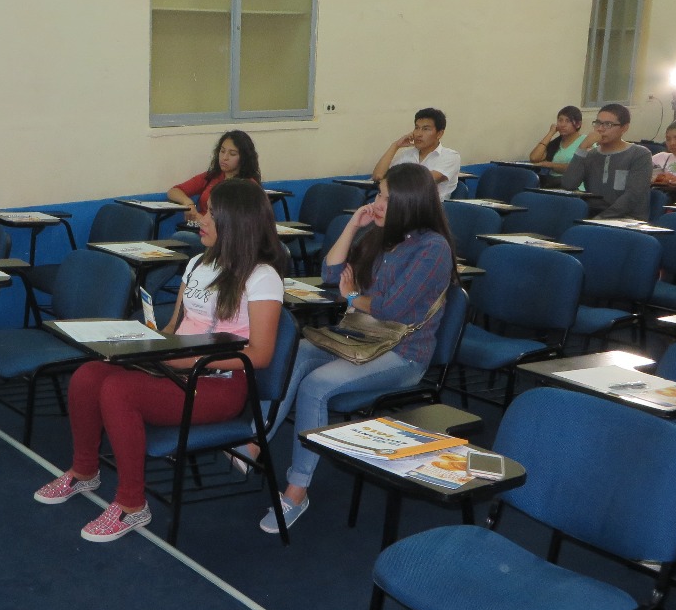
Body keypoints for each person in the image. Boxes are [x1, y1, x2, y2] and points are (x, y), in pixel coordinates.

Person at [33, 179, 287, 543]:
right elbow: (174, 326)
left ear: (235, 222)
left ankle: (132, 504)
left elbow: (260, 355)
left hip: (219, 385)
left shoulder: (262, 278)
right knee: (88, 375)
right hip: (178, 365)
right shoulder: (199, 262)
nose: (200, 219)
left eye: (211, 214)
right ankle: (84, 470)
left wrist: (187, 361)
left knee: (120, 391)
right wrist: (145, 346)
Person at [258, 163, 457, 533]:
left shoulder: (433, 249)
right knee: (297, 352)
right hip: (362, 339)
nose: (376, 202)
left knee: (316, 385)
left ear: (408, 203)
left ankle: (296, 490)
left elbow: (389, 308)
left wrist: (354, 296)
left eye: (384, 196)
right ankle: (256, 441)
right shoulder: (387, 236)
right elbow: (332, 273)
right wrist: (354, 224)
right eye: (378, 194)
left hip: (403, 354)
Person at [560, 103, 653, 221]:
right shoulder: (591, 154)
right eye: (598, 123)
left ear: (624, 128)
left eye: (608, 124)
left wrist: (600, 219)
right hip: (592, 215)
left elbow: (632, 196)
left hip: (627, 219)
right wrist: (582, 147)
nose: (600, 129)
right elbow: (568, 185)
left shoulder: (639, 154)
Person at [166, 129, 262, 224]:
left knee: (182, 237)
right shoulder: (212, 176)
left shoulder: (248, 186)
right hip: (200, 229)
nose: (225, 157)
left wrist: (202, 220)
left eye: (232, 154)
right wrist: (188, 203)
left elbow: (237, 222)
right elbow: (173, 191)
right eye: (222, 151)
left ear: (244, 158)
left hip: (223, 234)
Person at [372, 108, 460, 200]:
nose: (418, 134)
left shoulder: (450, 156)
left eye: (425, 129)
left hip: (432, 209)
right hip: (399, 206)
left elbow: (422, 181)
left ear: (439, 134)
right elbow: (378, 176)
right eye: (417, 128)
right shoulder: (407, 154)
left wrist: (393, 179)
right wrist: (395, 146)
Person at [529, 105, 597, 186]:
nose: (562, 124)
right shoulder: (556, 143)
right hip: (553, 184)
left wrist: (550, 165)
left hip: (575, 186)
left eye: (568, 121)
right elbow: (534, 158)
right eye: (560, 120)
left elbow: (580, 168)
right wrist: (551, 133)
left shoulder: (586, 141)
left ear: (578, 124)